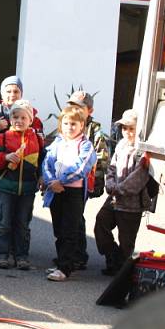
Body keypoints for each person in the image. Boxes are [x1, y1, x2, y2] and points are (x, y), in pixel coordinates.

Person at [0, 76, 43, 251]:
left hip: (25, 181)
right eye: (8, 91)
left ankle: (16, 250)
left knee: (21, 218)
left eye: (16, 91)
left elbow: (40, 151)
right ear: (2, 93)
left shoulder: (33, 118)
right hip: (2, 175)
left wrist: (40, 175)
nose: (12, 94)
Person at [41, 105, 98, 282]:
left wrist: (61, 181)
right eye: (66, 123)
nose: (69, 127)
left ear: (82, 125)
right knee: (59, 229)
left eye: (74, 124)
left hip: (73, 192)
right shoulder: (57, 143)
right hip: (56, 191)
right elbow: (46, 164)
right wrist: (51, 181)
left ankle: (65, 268)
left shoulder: (86, 146)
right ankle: (62, 262)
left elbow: (81, 167)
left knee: (69, 230)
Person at [94, 109, 152, 276]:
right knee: (101, 223)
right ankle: (113, 256)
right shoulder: (121, 145)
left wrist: (119, 189)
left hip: (131, 204)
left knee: (126, 241)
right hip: (114, 198)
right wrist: (110, 183)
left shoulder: (143, 151)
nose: (127, 132)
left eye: (131, 128)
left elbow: (139, 177)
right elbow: (112, 167)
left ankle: (122, 269)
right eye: (124, 128)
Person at [65, 89, 110, 270]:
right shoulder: (67, 124)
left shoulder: (95, 131)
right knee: (67, 217)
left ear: (89, 110)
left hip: (84, 182)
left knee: (76, 218)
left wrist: (94, 185)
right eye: (72, 106)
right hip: (67, 180)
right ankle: (68, 252)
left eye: (80, 107)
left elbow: (101, 159)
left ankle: (78, 255)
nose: (75, 109)